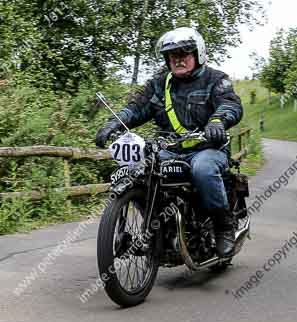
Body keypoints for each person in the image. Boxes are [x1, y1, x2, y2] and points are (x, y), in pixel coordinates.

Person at [95, 27, 244, 258]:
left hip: (207, 148)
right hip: (170, 149)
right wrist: (114, 123)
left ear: (198, 54)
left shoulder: (216, 80)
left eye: (184, 53)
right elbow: (137, 107)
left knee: (203, 169)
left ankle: (223, 226)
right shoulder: (159, 84)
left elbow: (230, 104)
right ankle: (156, 228)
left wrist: (217, 121)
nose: (178, 59)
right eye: (172, 55)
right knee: (139, 169)